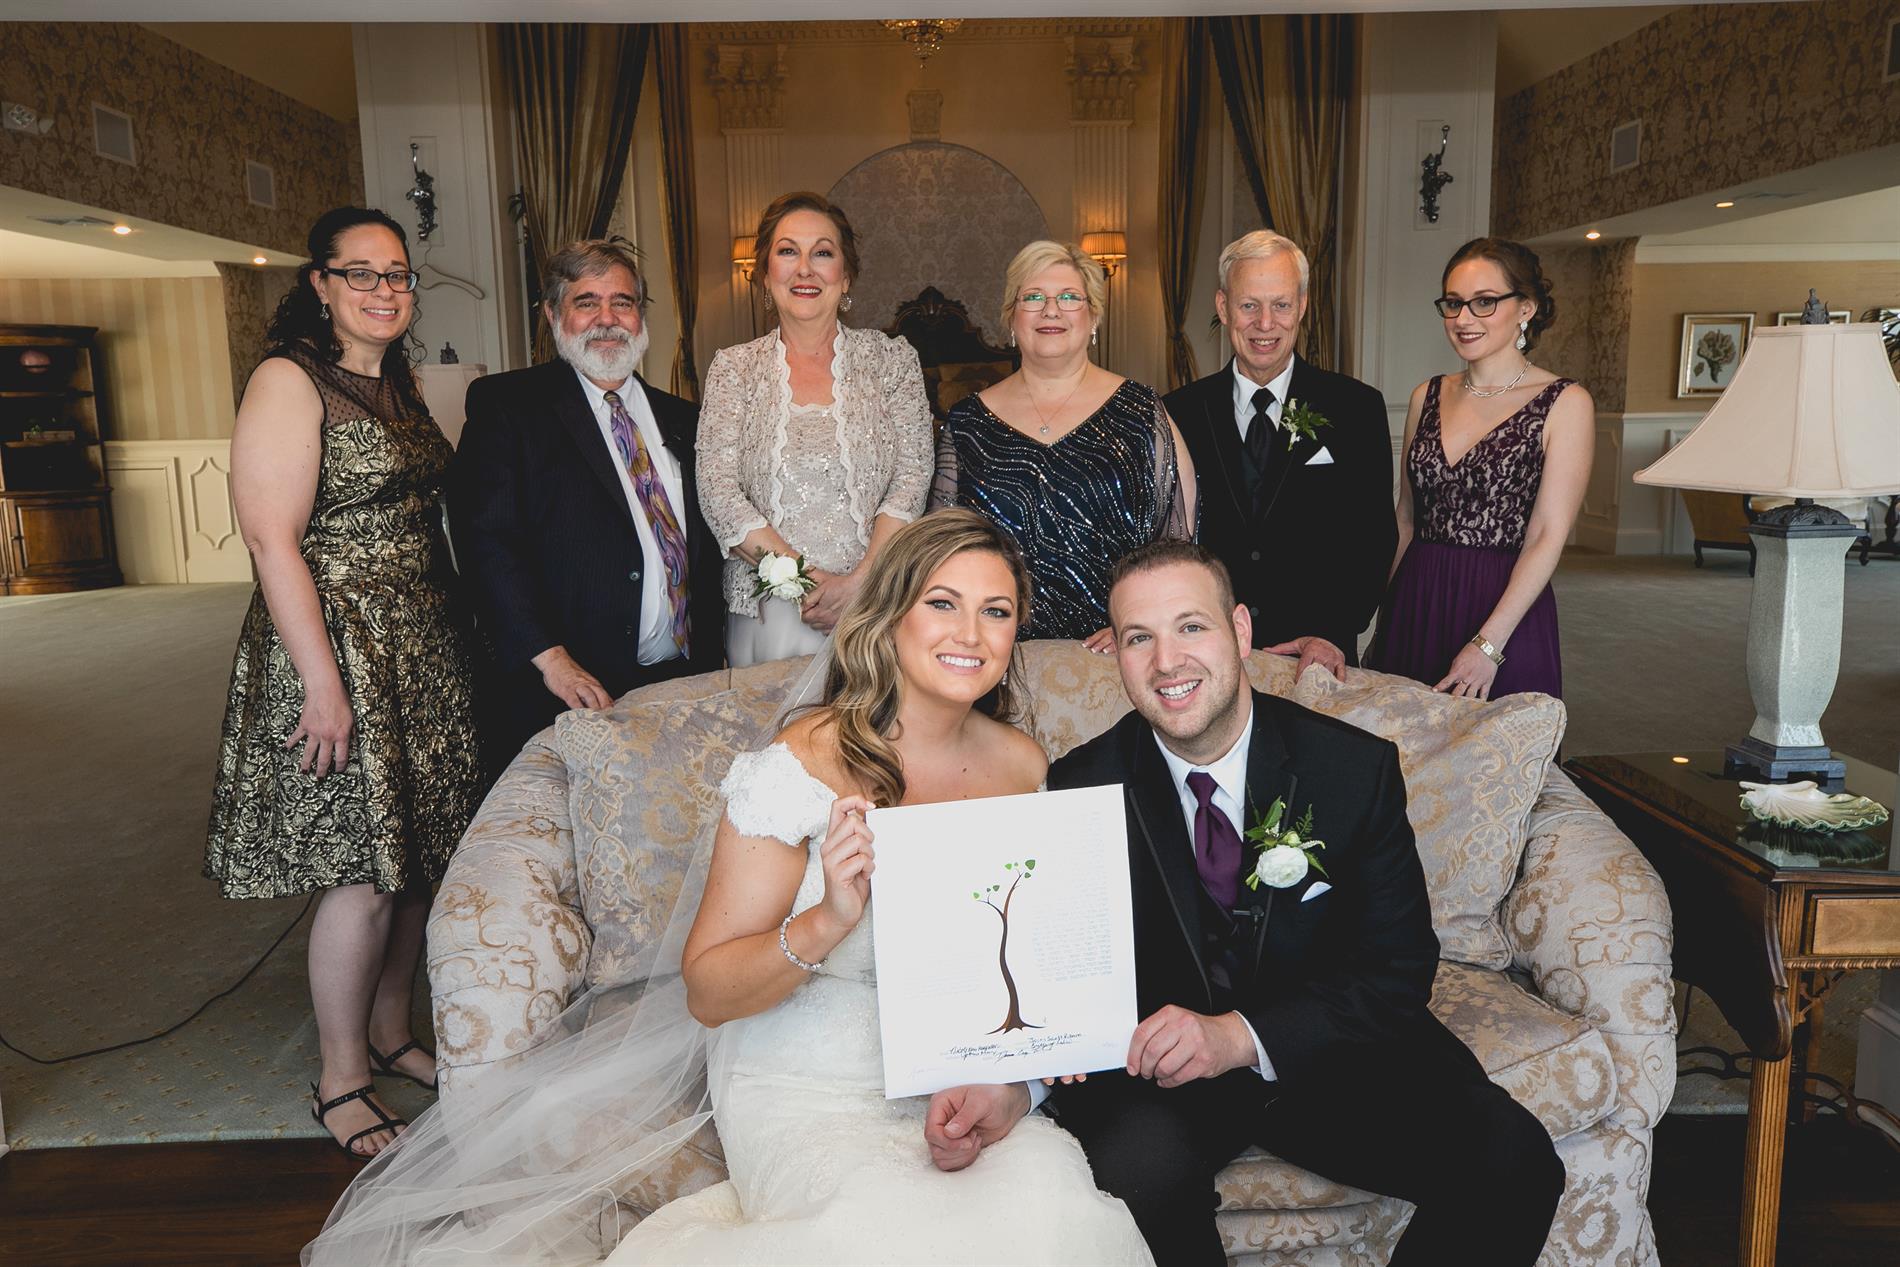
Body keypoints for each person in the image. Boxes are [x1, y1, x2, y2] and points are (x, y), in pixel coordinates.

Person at [302, 511, 1151, 1265]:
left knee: (1053, 1213)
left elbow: (1033, 967)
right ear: (892, 616)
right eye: (943, 603)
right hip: (811, 1077)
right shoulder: (802, 764)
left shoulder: (1022, 765)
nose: (971, 632)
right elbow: (708, 990)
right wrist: (828, 917)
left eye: (996, 611)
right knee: (881, 1235)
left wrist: (1014, 1087)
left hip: (957, 1072)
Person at [932, 542, 1566, 1267]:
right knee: (1137, 1179)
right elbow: (1059, 975)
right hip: (1160, 1073)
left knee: (1514, 1161)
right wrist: (1018, 1087)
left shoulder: (1351, 769)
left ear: (1239, 630)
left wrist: (1239, 1037)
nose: (1167, 661)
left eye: (1190, 627)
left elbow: (1397, 967)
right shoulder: (1082, 786)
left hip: (1330, 1048)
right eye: (1139, 638)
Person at [206, 206, 482, 1159]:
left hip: (423, 644)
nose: (383, 289)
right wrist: (325, 685)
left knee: (418, 860)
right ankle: (341, 1077)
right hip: (338, 646)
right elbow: (270, 540)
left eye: (397, 273)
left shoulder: (399, 379)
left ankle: (393, 1032)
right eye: (359, 272)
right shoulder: (288, 379)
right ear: (319, 284)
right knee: (362, 871)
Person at [450, 238, 724, 771]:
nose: (607, 319)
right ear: (554, 315)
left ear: (640, 316)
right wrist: (553, 661)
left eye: (622, 302)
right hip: (569, 689)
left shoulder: (688, 418)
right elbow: (486, 545)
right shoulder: (508, 407)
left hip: (685, 684)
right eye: (586, 302)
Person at [697, 191, 934, 667]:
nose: (804, 269)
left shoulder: (892, 361)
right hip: (769, 618)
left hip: (874, 610)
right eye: (788, 251)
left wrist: (860, 585)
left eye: (822, 253)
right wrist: (802, 583)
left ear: (845, 276)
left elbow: (912, 477)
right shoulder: (733, 369)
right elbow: (717, 490)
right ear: (766, 275)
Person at [931, 240, 1195, 647]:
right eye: (1033, 297)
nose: (1050, 310)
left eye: (1069, 297)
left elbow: (1177, 546)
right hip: (990, 652)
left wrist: (1138, 623)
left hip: (1114, 657)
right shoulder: (967, 422)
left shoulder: (1142, 412)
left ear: (1094, 317)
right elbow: (941, 551)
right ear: (1011, 317)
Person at [1161, 231, 1395, 678]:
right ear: (1223, 307)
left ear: (1302, 305)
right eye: (1249, 305)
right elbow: (1167, 541)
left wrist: (1333, 631)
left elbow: (1374, 537)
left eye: (1281, 304)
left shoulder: (1357, 407)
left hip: (1316, 655)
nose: (1265, 323)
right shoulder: (1178, 412)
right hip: (1208, 650)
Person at [1368, 238, 1591, 700]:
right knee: (1399, 739)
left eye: (1484, 302)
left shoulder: (1565, 403)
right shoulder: (1426, 395)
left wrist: (1488, 645)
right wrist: (1384, 617)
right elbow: (1406, 519)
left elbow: (1547, 535)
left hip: (1503, 612)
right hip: (1417, 599)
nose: (1464, 319)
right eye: (1454, 303)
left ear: (1526, 308)